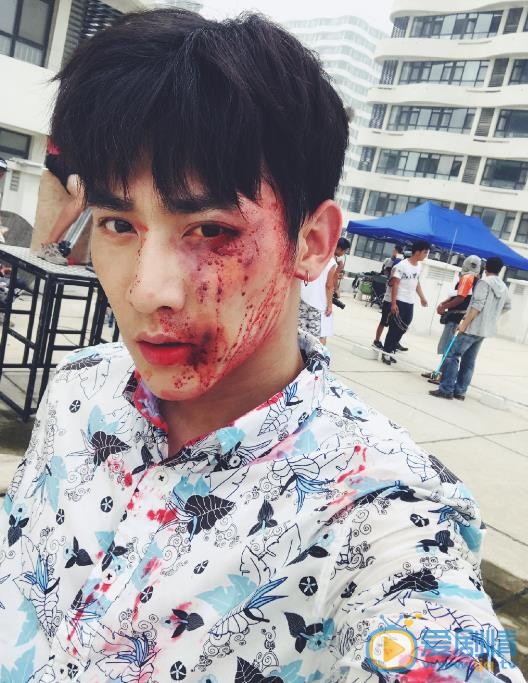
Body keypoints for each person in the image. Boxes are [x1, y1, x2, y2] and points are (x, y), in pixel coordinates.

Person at [0, 10, 522, 682]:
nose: (148, 290)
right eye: (118, 224)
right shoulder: (79, 388)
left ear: (313, 242)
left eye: (211, 230)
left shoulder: (381, 517)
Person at [430, 256, 511, 400]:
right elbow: (507, 306)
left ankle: (446, 389)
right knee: (469, 360)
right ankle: (460, 391)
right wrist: (491, 317)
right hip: (485, 330)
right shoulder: (503, 287)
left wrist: (464, 324)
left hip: (472, 327)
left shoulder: (484, 282)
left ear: (485, 268)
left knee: (452, 355)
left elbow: (477, 305)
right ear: (500, 270)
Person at [423, 254, 481, 385]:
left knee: (448, 348)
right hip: (462, 318)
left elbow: (460, 298)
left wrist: (444, 306)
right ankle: (439, 372)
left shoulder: (467, 278)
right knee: (449, 348)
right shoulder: (477, 281)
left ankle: (441, 376)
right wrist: (445, 303)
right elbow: (459, 295)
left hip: (456, 318)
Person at [381, 240, 429, 365]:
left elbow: (416, 283)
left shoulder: (419, 266)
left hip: (410, 301)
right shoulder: (402, 265)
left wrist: (422, 297)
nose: (426, 255)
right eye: (425, 252)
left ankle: (391, 350)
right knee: (394, 327)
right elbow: (395, 284)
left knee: (403, 327)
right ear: (417, 252)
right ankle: (386, 352)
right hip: (400, 300)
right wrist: (393, 303)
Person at [299, 255, 337, 344]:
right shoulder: (331, 262)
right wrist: (329, 305)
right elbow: (329, 285)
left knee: (299, 334)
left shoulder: (309, 254)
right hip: (318, 304)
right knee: (314, 339)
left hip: (302, 298)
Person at [372, 244, 405, 350]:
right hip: (389, 299)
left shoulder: (400, 265)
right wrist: (392, 274)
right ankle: (376, 340)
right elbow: (389, 280)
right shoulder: (392, 264)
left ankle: (395, 342)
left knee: (396, 324)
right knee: (384, 321)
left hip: (398, 300)